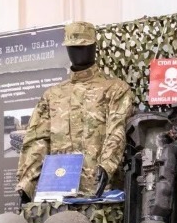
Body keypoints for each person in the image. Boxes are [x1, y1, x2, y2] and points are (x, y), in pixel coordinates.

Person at [16, 21, 133, 202]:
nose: (78, 52)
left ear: (94, 47)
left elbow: (116, 131)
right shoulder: (52, 95)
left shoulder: (115, 89)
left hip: (101, 195)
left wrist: (107, 166)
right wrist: (26, 185)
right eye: (73, 47)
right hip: (58, 195)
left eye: (84, 46)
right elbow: (37, 140)